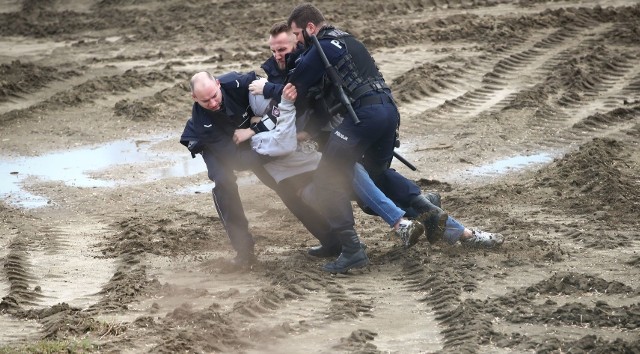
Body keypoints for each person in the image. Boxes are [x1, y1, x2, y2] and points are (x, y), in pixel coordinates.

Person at [284, 4, 448, 273]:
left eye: (298, 34)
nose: (297, 40)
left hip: (364, 116)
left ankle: (352, 251)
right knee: (376, 176)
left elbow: (296, 84)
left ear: (311, 28)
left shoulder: (321, 46)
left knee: (329, 178)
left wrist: (267, 84)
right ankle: (428, 212)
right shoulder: (348, 38)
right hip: (389, 112)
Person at [237, 86, 504, 252]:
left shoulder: (286, 101)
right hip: (315, 182)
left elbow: (313, 121)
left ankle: (460, 231)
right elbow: (283, 139)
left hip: (333, 167)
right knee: (353, 173)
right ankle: (410, 217)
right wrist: (266, 124)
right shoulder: (253, 137)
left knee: (383, 183)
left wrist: (288, 122)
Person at [180, 71, 346, 269]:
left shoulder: (240, 82)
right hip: (220, 146)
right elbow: (237, 161)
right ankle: (244, 252)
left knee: (285, 184)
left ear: (218, 84)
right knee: (224, 183)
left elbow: (279, 102)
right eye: (205, 101)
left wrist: (257, 129)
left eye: (214, 96)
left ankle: (332, 240)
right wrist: (277, 148)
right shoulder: (201, 122)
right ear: (194, 98)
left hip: (249, 135)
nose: (213, 103)